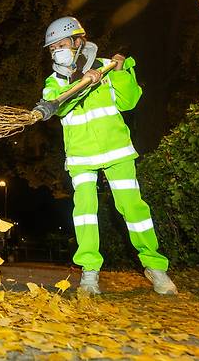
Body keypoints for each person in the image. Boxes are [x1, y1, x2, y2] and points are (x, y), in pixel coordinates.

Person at [33, 16, 177, 295]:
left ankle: (155, 267)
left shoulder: (106, 68)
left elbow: (129, 101)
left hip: (117, 151)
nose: (56, 52)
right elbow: (60, 107)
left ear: (78, 42)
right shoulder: (54, 82)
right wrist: (85, 82)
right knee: (85, 214)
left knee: (134, 210)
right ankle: (90, 273)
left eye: (61, 45)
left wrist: (121, 72)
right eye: (52, 49)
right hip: (80, 156)